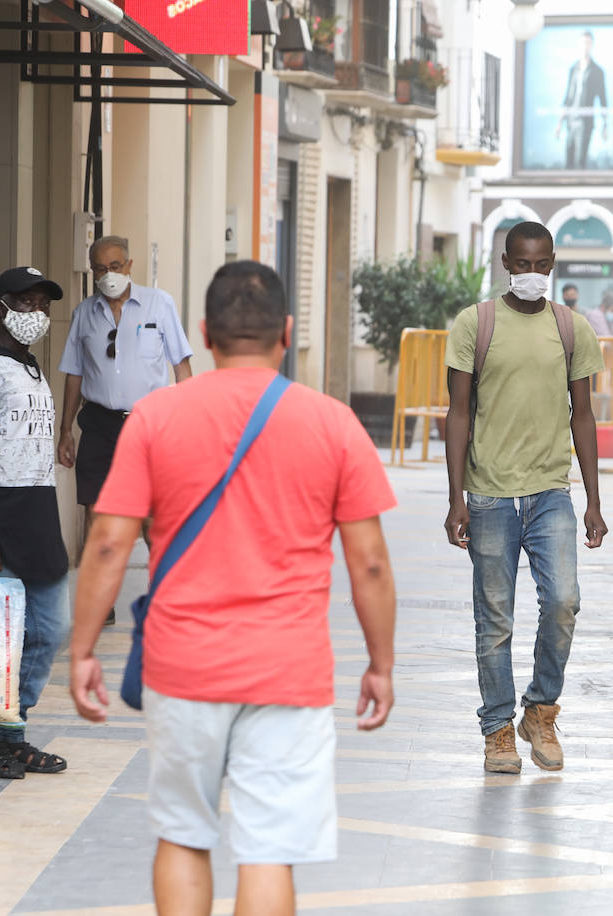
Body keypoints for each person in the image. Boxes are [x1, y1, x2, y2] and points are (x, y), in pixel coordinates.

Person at [69, 260, 397, 915]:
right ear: (287, 331)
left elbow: (108, 541)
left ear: (202, 332)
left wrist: (80, 652)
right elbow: (370, 565)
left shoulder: (156, 417)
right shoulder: (333, 424)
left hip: (183, 665)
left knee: (184, 836)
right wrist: (381, 666)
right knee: (268, 849)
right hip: (289, 670)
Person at [443, 221, 606, 774]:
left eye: (541, 265)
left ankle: (540, 709)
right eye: (522, 264)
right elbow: (458, 413)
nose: (531, 274)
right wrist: (455, 497)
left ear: (552, 264)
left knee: (563, 602)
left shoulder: (571, 328)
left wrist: (594, 502)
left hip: (550, 494)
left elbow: (582, 416)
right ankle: (496, 731)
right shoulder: (476, 324)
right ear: (506, 263)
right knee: (495, 621)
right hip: (489, 496)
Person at [0, 266, 70, 779]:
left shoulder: (31, 367)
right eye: (25, 303)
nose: (36, 314)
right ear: (0, 306)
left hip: (39, 514)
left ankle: (11, 726)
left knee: (49, 630)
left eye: (43, 305)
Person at [57, 235, 194, 625]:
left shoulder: (159, 304)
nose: (108, 275)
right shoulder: (85, 313)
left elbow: (181, 367)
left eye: (115, 267)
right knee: (98, 516)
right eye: (100, 268)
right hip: (99, 424)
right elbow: (73, 375)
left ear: (130, 266)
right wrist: (65, 430)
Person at [556, 30, 607, 170]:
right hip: (571, 121)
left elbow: (603, 99)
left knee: (580, 161)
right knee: (569, 161)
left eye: (588, 43)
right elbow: (568, 96)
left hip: (585, 122)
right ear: (580, 45)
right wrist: (560, 123)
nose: (586, 46)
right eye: (583, 43)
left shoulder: (597, 71)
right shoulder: (573, 69)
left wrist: (605, 125)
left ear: (592, 45)